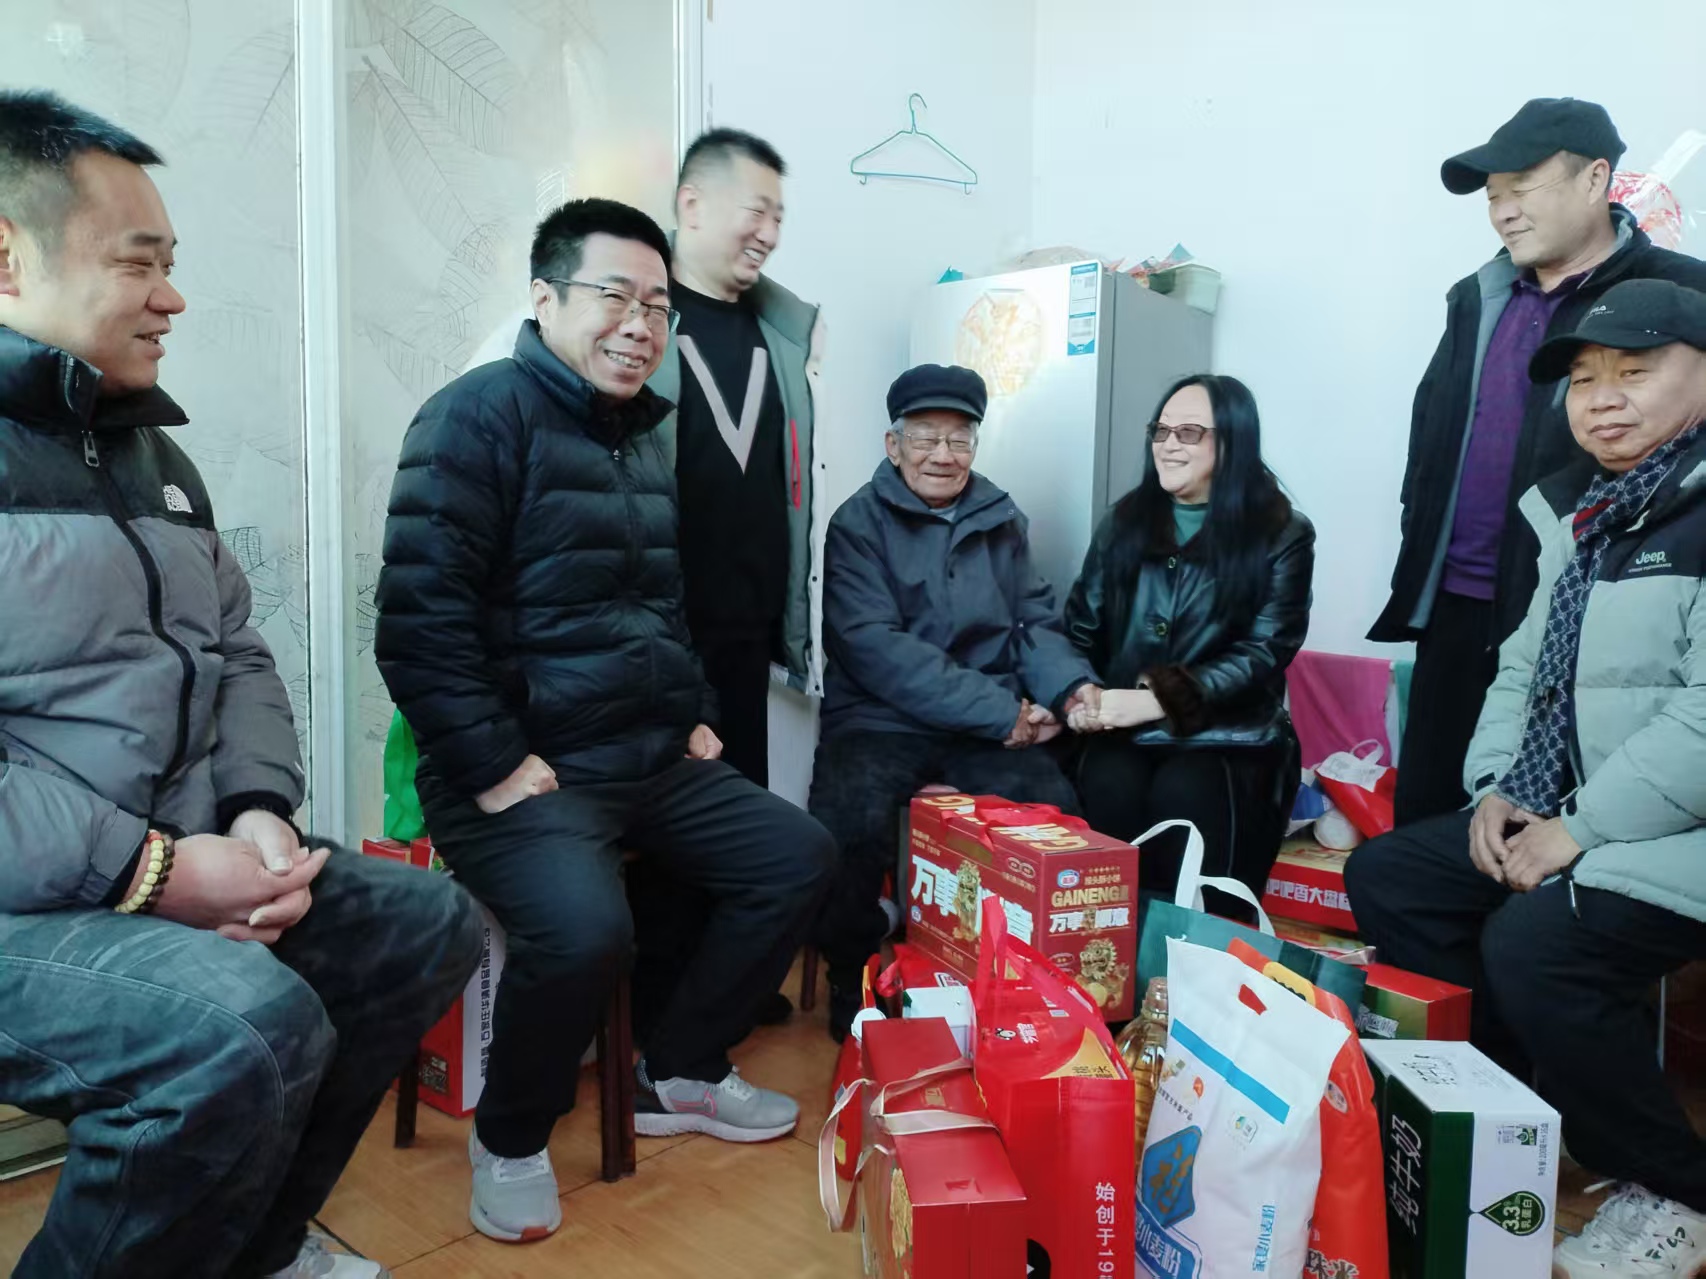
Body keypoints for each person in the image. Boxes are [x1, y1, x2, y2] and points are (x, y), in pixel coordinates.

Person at [0, 92, 482, 1279]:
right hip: (33, 892)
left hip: (161, 852)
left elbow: (236, 650)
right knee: (241, 1027)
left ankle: (253, 1247)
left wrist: (254, 811)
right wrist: (158, 872)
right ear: (7, 260)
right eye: (139, 263)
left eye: (172, 264)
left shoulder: (150, 456)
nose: (172, 297)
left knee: (421, 923)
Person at [373, 197, 838, 1244]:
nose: (639, 325)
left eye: (658, 307)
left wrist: (696, 714)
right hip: (520, 766)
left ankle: (679, 1066)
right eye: (615, 297)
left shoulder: (642, 434)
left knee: (800, 856)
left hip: (645, 752)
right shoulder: (474, 418)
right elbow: (417, 627)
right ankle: (510, 1137)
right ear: (544, 299)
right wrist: (495, 764)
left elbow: (657, 605)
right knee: (587, 930)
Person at [1346, 278, 1706, 1277]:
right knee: (1393, 875)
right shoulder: (1582, 511)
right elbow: (1522, 669)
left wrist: (1576, 830)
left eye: (1634, 371)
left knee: (1539, 943)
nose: (1602, 399)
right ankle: (1509, 1117)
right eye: (1583, 379)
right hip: (1586, 806)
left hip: (1675, 824)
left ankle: (1677, 1191)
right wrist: (1497, 790)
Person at [1370, 97, 1706, 826]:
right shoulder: (1479, 297)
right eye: (1494, 197)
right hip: (1456, 603)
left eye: (1522, 187)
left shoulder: (1682, 291)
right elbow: (1432, 439)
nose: (1504, 212)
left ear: (1595, 180)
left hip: (1595, 609)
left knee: (1559, 826)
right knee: (1428, 819)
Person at [808, 363, 1098, 1040]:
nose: (943, 454)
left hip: (983, 723)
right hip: (881, 719)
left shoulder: (1002, 518)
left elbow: (1033, 622)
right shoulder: (857, 523)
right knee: (847, 826)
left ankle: (1034, 979)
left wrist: (1068, 690)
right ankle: (850, 975)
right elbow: (878, 650)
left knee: (1056, 808)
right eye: (925, 437)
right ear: (893, 445)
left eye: (959, 438)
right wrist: (1003, 714)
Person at [1064, 374, 1312, 910]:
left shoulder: (1282, 533)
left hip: (1225, 733)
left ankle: (1185, 954)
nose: (1169, 445)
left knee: (1188, 796)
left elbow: (1265, 650)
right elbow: (1081, 627)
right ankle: (1105, 950)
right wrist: (1078, 692)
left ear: (1233, 441)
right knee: (1108, 787)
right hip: (1121, 728)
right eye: (1161, 430)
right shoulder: (1123, 522)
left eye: (1190, 433)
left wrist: (1160, 699)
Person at [648, 127, 825, 784]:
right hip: (657, 636)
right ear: (692, 205)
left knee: (746, 817)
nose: (770, 234)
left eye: (779, 217)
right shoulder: (633, 322)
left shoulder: (785, 333)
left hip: (748, 635)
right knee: (660, 820)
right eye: (756, 210)